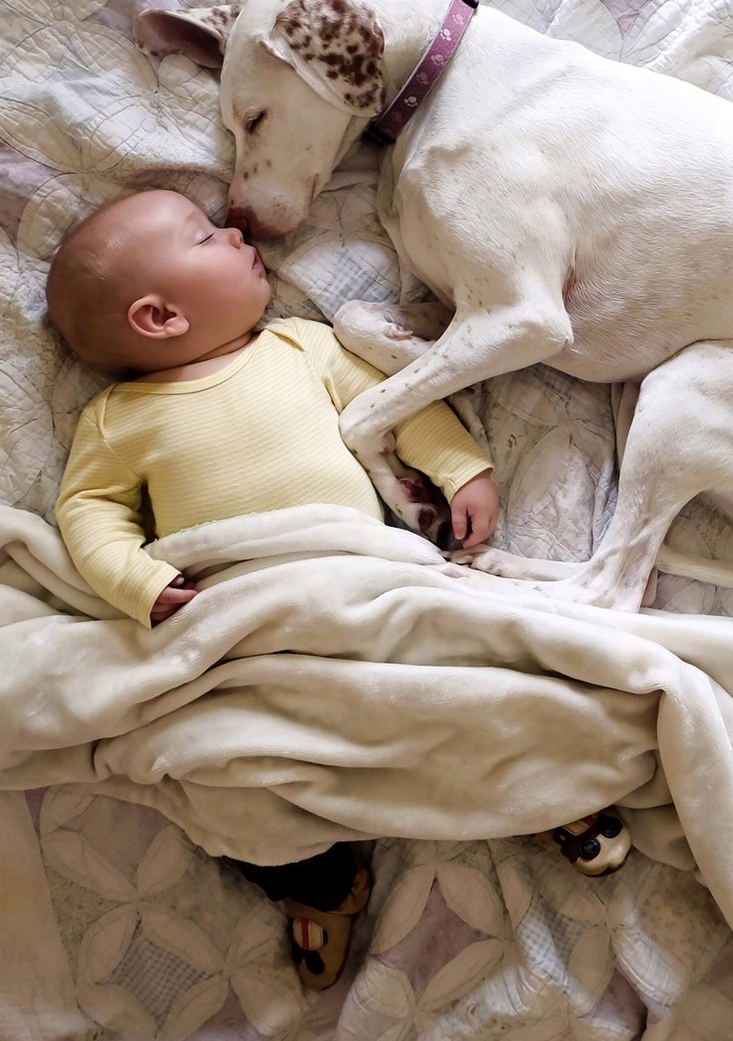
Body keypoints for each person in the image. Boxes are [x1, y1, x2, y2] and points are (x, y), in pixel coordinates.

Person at [46, 187, 500, 992]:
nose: (235, 229)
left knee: (465, 670)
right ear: (159, 317)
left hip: (356, 575)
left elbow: (398, 408)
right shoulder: (120, 417)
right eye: (204, 235)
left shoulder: (306, 347)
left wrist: (459, 467)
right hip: (238, 615)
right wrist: (137, 579)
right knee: (224, 767)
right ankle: (316, 882)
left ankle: (544, 779)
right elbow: (88, 512)